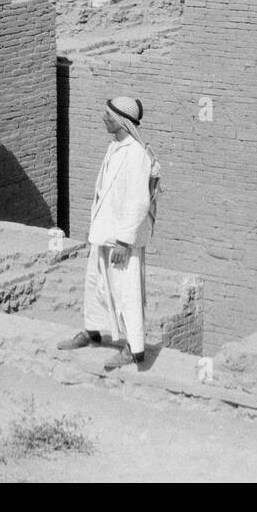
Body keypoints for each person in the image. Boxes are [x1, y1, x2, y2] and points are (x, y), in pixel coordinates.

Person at [56, 96, 161, 371]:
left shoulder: (136, 155)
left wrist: (125, 241)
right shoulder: (115, 147)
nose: (103, 119)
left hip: (121, 239)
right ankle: (92, 333)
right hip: (103, 232)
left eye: (107, 116)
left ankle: (134, 348)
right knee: (95, 284)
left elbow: (139, 202)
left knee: (126, 292)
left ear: (120, 120)